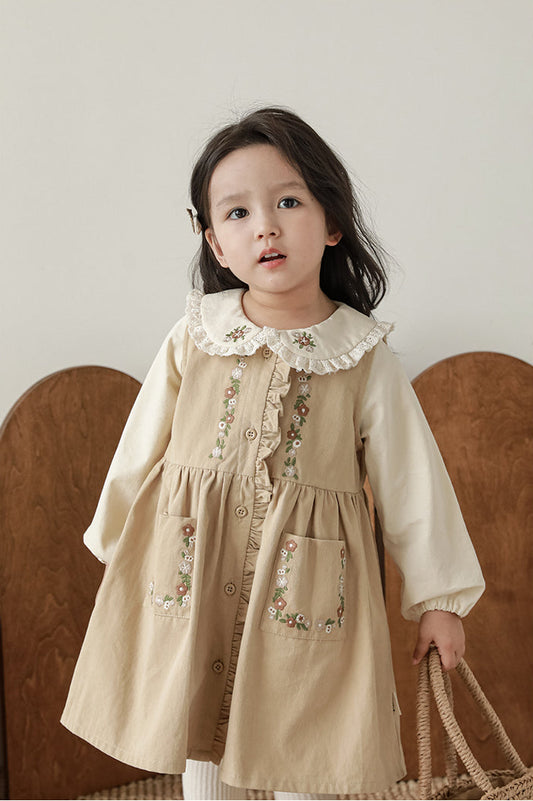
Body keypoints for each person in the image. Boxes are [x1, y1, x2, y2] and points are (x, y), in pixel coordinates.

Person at [61, 107, 485, 800]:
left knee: (304, 730)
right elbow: (138, 448)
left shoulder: (358, 354)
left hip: (310, 584)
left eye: (288, 201)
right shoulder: (196, 334)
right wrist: (121, 543)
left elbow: (413, 481)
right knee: (195, 717)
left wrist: (438, 596)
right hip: (192, 564)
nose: (264, 225)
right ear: (215, 244)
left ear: (331, 221)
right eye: (236, 212)